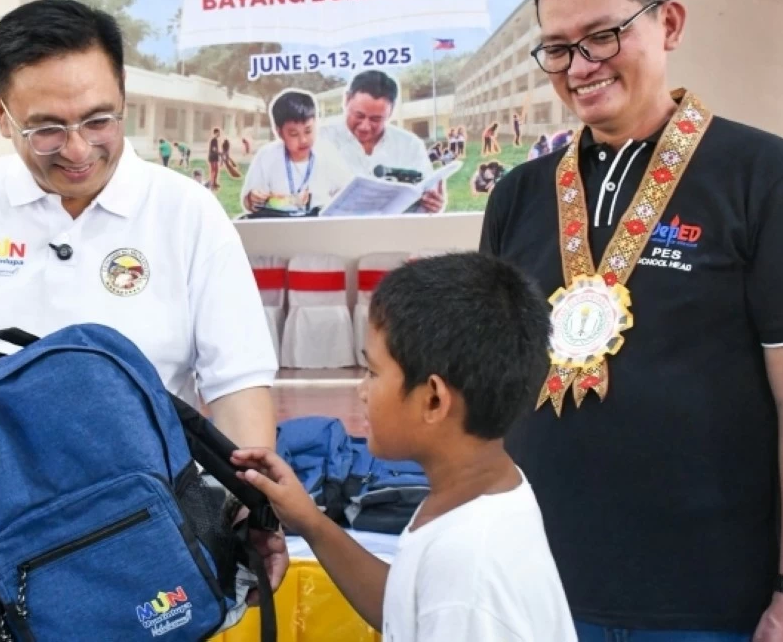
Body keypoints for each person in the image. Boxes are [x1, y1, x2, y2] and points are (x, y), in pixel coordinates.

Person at [0, 0, 287, 639]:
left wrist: (251, 508)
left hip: (147, 540)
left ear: (122, 93)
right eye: (45, 128)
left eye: (99, 119)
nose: (77, 149)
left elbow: (238, 384)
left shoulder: (186, 212)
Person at [481, 0, 783, 641]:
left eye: (602, 37)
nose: (578, 67)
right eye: (557, 48)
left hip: (709, 601)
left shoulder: (764, 175)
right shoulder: (520, 196)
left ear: (669, 24)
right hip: (541, 593)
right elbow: (496, 390)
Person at [232, 253, 576, 641]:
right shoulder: (478, 491)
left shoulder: (468, 569)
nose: (362, 391)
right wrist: (310, 522)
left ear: (433, 399)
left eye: (373, 373)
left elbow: (442, 606)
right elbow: (404, 609)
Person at [319, 70, 444, 213]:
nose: (365, 127)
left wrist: (433, 203)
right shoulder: (320, 140)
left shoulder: (410, 145)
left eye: (376, 119)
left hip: (396, 231)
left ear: (390, 112)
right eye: (359, 116)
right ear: (346, 100)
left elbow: (425, 195)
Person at [241, 89, 352, 216]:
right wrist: (251, 199)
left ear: (316, 123)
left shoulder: (327, 152)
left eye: (308, 131)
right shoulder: (267, 155)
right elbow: (248, 204)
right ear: (278, 132)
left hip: (319, 226)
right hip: (277, 226)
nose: (303, 140)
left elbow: (347, 193)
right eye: (294, 134)